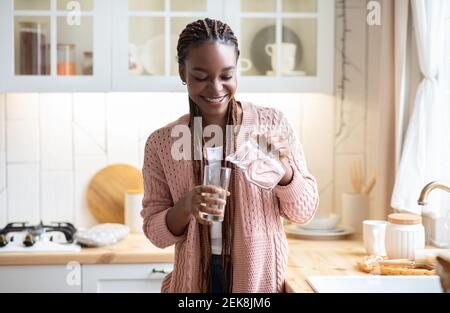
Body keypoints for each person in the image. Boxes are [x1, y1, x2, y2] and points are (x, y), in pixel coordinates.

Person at [141, 18, 319, 293]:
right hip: (194, 283)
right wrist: (187, 205)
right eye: (201, 77)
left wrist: (284, 172)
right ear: (182, 72)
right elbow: (155, 232)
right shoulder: (162, 144)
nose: (215, 88)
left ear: (237, 71)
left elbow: (303, 212)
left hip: (259, 281)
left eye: (226, 76)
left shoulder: (271, 124)